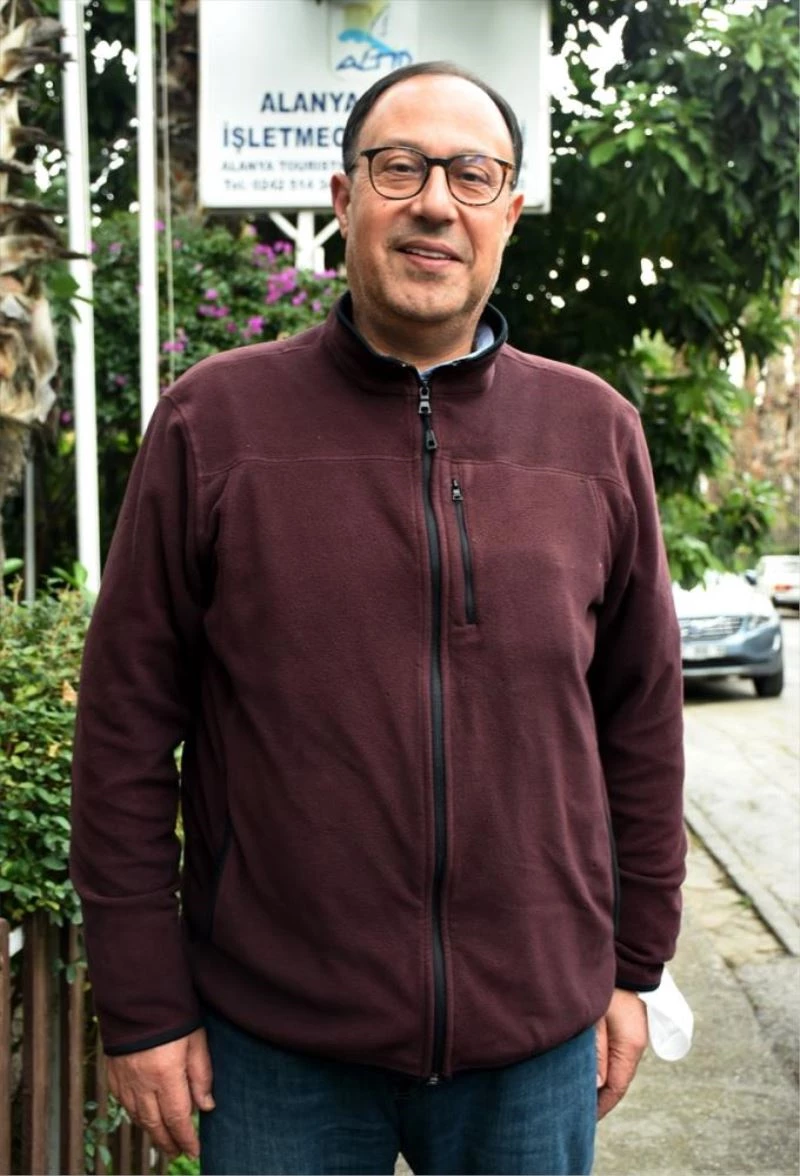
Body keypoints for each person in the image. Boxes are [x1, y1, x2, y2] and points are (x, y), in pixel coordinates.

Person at [70, 61, 686, 1176]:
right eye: (399, 168)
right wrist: (144, 1004)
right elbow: (122, 734)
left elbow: (639, 724)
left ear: (508, 211)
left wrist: (634, 966)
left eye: (471, 174)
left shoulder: (594, 434)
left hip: (532, 1041)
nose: (435, 203)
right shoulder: (214, 423)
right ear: (344, 197)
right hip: (273, 1047)